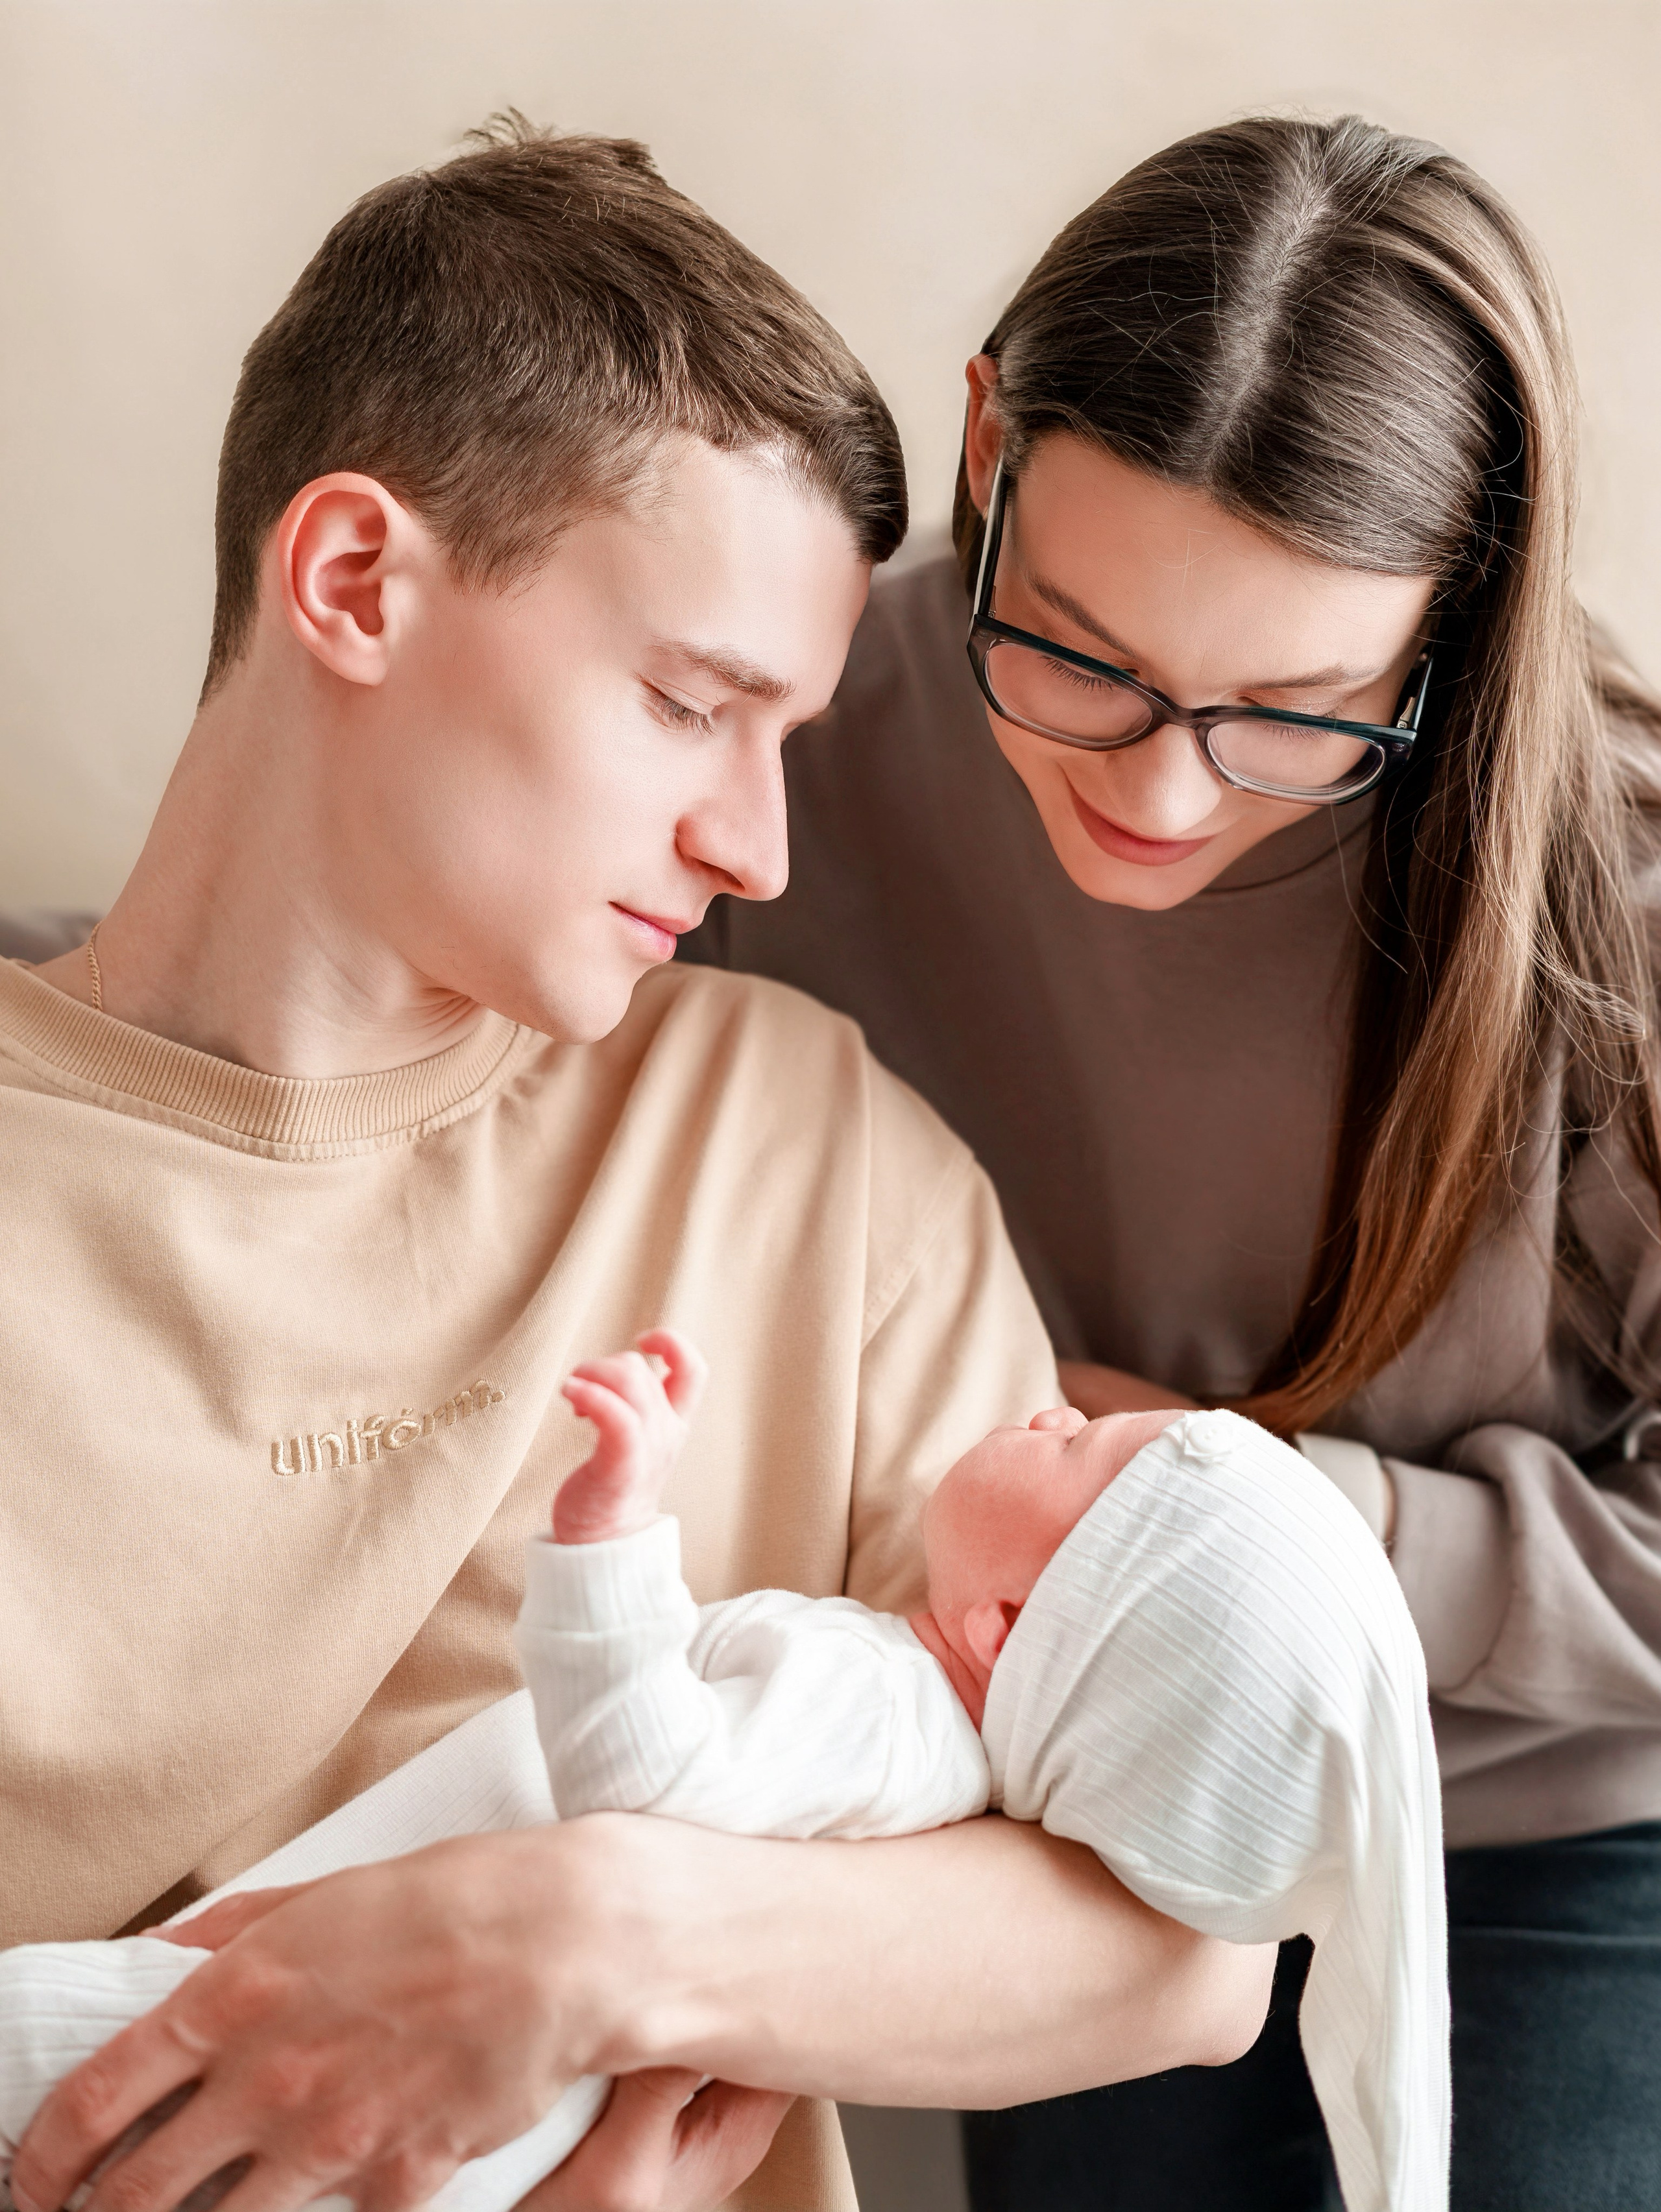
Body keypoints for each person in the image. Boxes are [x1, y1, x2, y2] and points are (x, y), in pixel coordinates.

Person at [0, 117, 1275, 2212]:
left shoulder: (809, 1158)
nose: (758, 848)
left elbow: (1182, 1948)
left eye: (789, 741)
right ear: (354, 583)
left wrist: (585, 1947)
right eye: (693, 705)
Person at [683, 113, 1661, 2211]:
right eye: (1079, 655)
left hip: (1560, 1827)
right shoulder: (791, 733)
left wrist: (1285, 1519)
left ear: (1453, 607)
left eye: (1298, 709)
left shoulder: (1621, 905)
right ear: (986, 448)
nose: (1162, 795)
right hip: (1077, 1779)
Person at [1, 1334, 1446, 2212]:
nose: (1056, 1406)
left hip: (297, 2040)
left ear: (1016, 1629)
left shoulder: (872, 1708)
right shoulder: (916, 1773)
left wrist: (612, 1535)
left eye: (1087, 1452)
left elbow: (637, 1783)